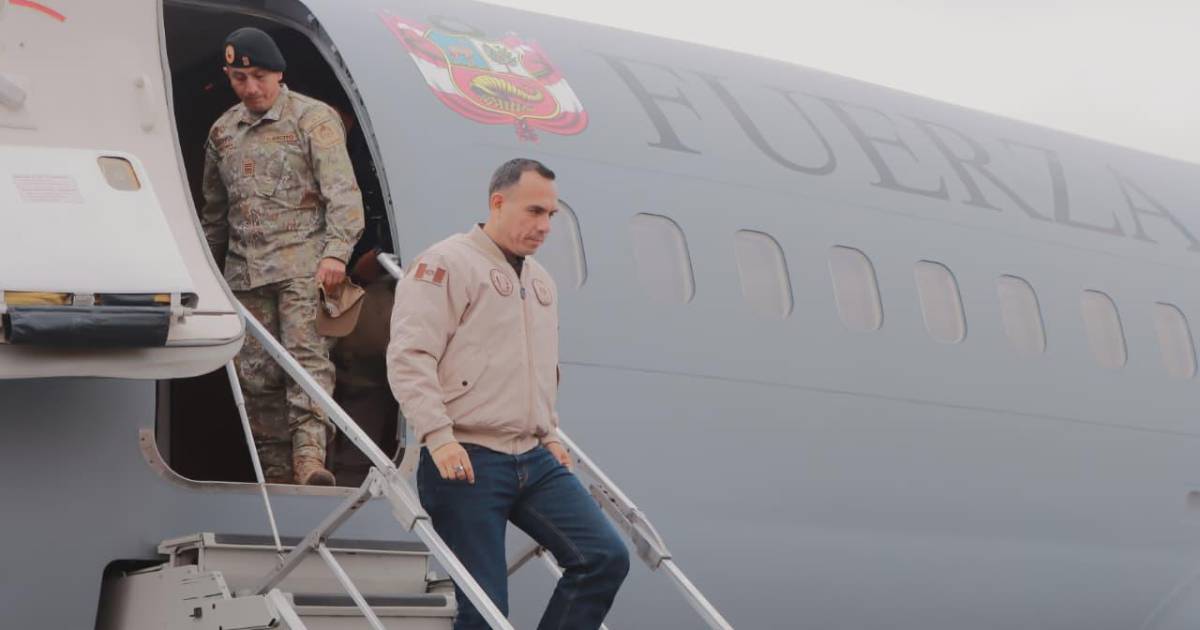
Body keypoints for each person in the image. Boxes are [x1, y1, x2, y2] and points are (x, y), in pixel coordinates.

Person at [386, 159, 629, 629]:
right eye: (534, 211)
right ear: (497, 203)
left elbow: (538, 368)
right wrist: (438, 436)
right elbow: (410, 357)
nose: (545, 226)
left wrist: (549, 432)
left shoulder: (540, 281)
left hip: (532, 456)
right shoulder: (446, 263)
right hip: (466, 456)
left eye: (551, 215)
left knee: (603, 556)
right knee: (485, 611)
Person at [199, 27, 364, 486]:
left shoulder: (313, 119)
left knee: (306, 364)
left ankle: (309, 460)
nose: (251, 87)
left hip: (303, 269)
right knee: (255, 378)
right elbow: (215, 214)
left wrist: (336, 255)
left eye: (259, 76)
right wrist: (205, 273)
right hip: (244, 275)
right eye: (239, 78)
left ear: (278, 74)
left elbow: (343, 195)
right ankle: (276, 472)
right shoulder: (222, 133)